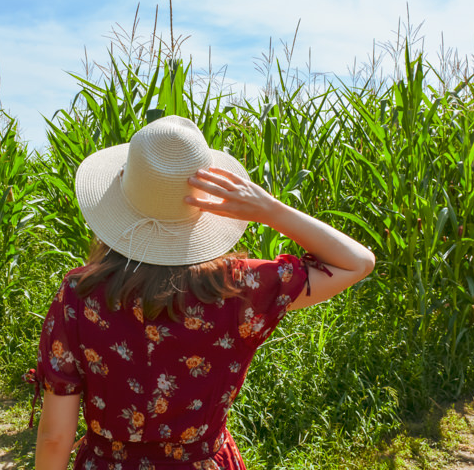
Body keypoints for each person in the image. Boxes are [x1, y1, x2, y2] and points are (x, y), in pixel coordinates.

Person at [31, 115, 375, 470]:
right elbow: (357, 263)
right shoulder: (240, 287)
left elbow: (56, 436)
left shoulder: (79, 294)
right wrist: (269, 209)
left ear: (122, 200)